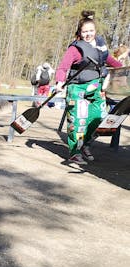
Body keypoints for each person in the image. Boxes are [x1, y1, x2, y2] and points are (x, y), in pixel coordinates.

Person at [54, 10, 122, 165]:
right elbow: (64, 66)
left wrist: (124, 68)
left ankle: (85, 145)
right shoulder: (75, 48)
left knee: (99, 118)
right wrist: (59, 82)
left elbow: (110, 60)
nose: (88, 34)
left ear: (95, 31)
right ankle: (75, 152)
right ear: (80, 32)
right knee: (78, 122)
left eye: (91, 31)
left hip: (95, 87)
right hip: (76, 88)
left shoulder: (100, 45)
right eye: (85, 32)